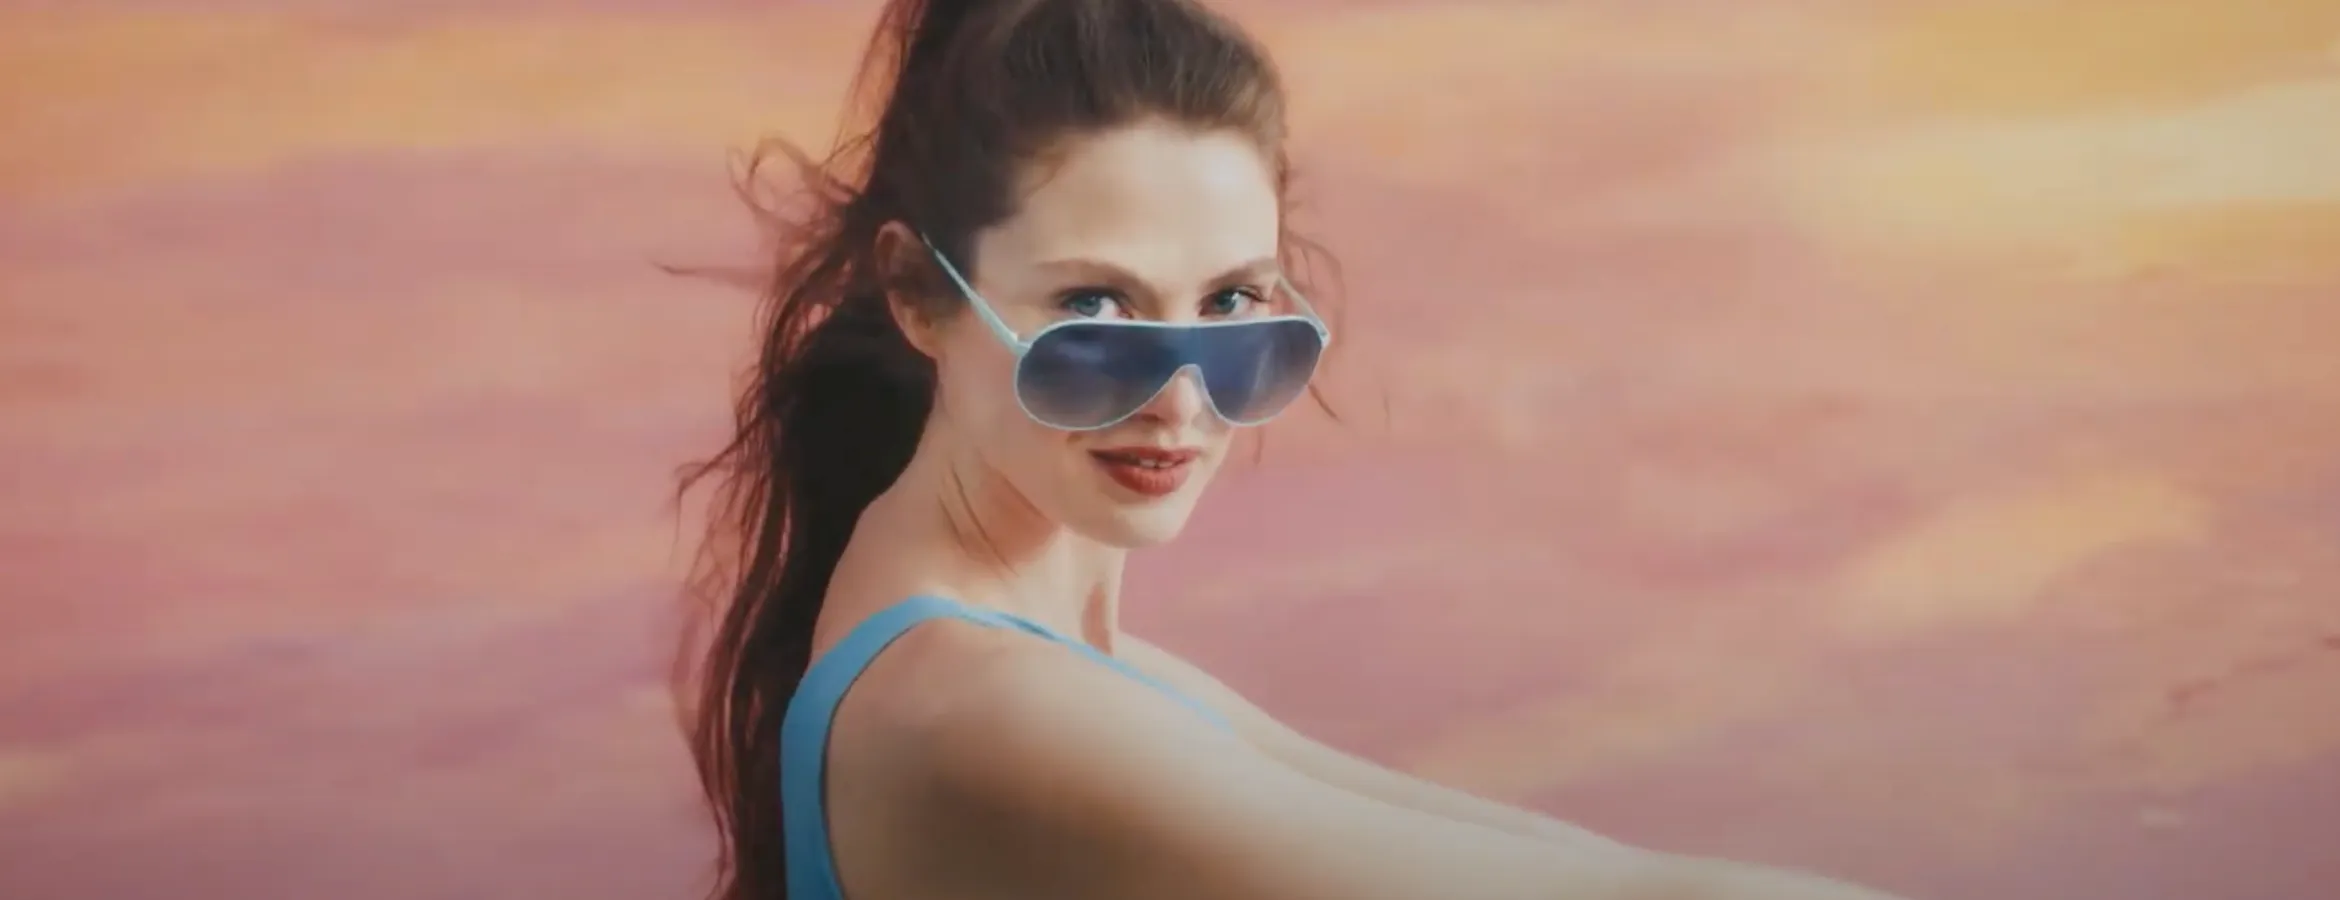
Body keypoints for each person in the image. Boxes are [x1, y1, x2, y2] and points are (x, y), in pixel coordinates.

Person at [679, 1, 1912, 898]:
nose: (1179, 401)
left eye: (1231, 307)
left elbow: (1576, 866)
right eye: (1094, 311)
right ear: (918, 293)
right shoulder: (988, 712)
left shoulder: (1076, 671)